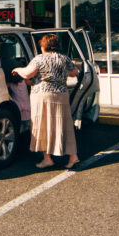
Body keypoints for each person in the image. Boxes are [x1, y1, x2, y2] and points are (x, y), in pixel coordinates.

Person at [12, 33, 80, 170]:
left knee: (42, 126)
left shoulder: (39, 58)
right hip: (61, 95)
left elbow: (28, 74)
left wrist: (17, 69)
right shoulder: (64, 58)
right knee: (64, 125)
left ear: (44, 46)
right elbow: (75, 72)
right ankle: (73, 157)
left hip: (42, 96)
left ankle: (47, 158)